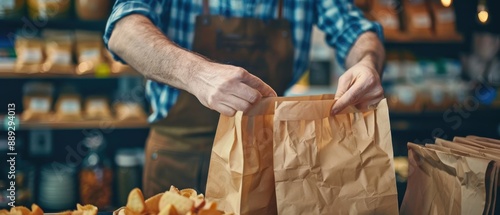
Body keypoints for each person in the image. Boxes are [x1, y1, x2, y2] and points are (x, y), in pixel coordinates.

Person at [104, 0, 385, 198]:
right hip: (180, 158)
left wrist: (367, 61)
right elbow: (123, 30)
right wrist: (196, 73)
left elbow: (357, 30)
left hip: (267, 158)